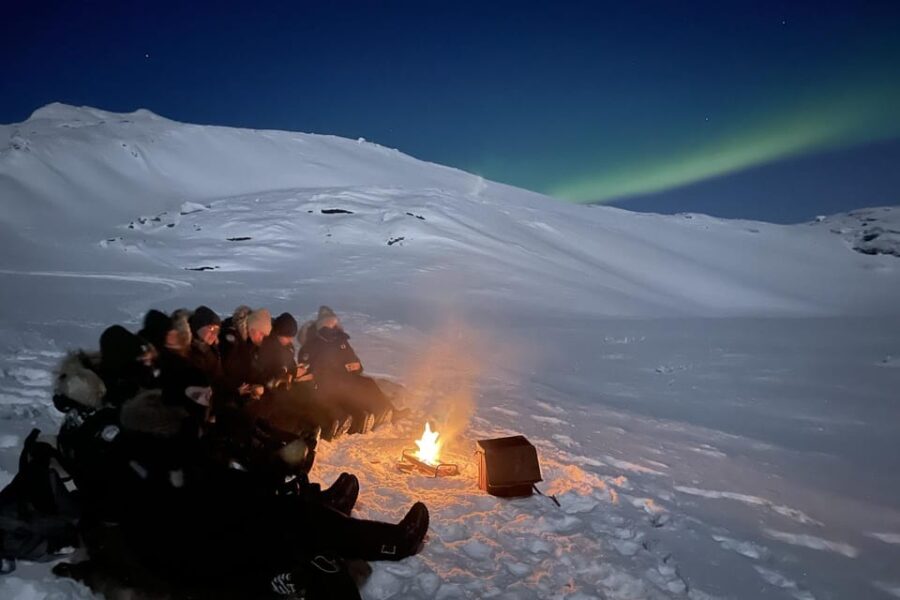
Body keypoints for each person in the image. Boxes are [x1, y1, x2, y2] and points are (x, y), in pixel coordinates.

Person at [300, 307, 401, 432]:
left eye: (333, 325)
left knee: (368, 383)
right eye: (329, 326)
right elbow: (313, 368)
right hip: (329, 383)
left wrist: (357, 366)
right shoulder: (313, 346)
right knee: (351, 392)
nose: (332, 329)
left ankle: (387, 411)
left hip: (346, 378)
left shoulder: (341, 342)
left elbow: (355, 361)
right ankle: (363, 418)